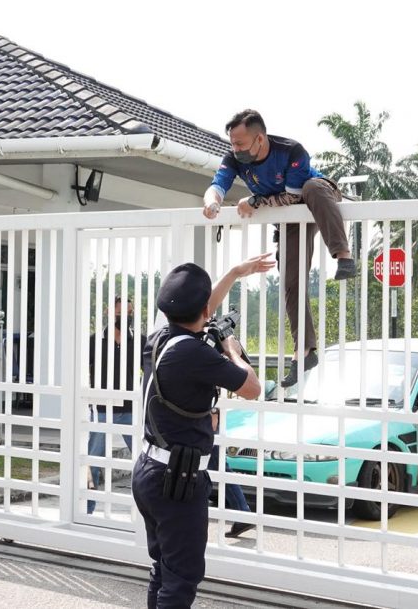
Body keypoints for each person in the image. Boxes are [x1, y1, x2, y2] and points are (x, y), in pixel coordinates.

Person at [132, 257, 266, 608]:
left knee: (164, 569)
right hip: (176, 480)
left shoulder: (158, 340)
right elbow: (252, 387)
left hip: (149, 472)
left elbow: (201, 310)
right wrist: (233, 351)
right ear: (204, 309)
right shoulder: (195, 354)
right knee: (182, 578)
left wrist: (236, 274)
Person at [203, 110, 355, 389]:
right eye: (232, 144)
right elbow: (218, 185)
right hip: (290, 218)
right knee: (291, 282)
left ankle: (343, 256)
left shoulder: (291, 151)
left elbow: (294, 195)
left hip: (315, 197)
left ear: (259, 138)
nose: (235, 149)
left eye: (240, 143)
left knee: (311, 186)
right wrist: (212, 202)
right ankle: (305, 352)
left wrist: (256, 201)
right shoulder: (233, 158)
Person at [87, 296, 144, 514]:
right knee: (93, 462)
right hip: (102, 410)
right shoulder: (94, 341)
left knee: (143, 462)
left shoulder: (138, 341)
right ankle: (87, 509)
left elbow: (150, 371)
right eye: (120, 313)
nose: (125, 317)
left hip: (130, 410)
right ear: (108, 312)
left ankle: (143, 513)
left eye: (129, 313)